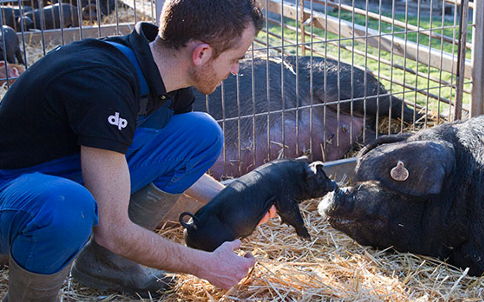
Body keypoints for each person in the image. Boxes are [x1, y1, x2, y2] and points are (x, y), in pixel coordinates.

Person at [0, 0, 277, 300]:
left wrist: (240, 201)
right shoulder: (105, 83)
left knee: (201, 134)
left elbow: (169, 157)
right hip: (13, 194)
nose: (236, 70)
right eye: (235, 59)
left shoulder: (165, 74)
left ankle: (108, 266)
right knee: (66, 207)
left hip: (67, 174)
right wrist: (206, 265)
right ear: (202, 54)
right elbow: (112, 229)